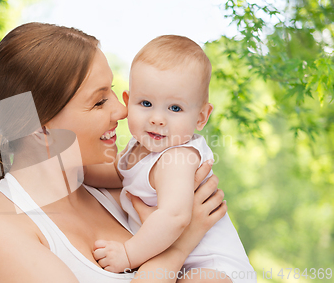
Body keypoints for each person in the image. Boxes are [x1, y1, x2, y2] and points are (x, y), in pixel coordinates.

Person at [0, 22, 228, 283]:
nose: (122, 111)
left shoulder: (117, 186)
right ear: (40, 129)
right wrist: (177, 248)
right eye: (99, 102)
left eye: (111, 91)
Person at [85, 36, 255, 282]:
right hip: (177, 261)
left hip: (214, 265)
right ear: (127, 101)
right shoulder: (138, 147)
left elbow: (174, 217)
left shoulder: (177, 158)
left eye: (175, 108)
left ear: (201, 117)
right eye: (146, 103)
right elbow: (117, 174)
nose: (157, 118)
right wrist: (77, 172)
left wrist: (128, 254)